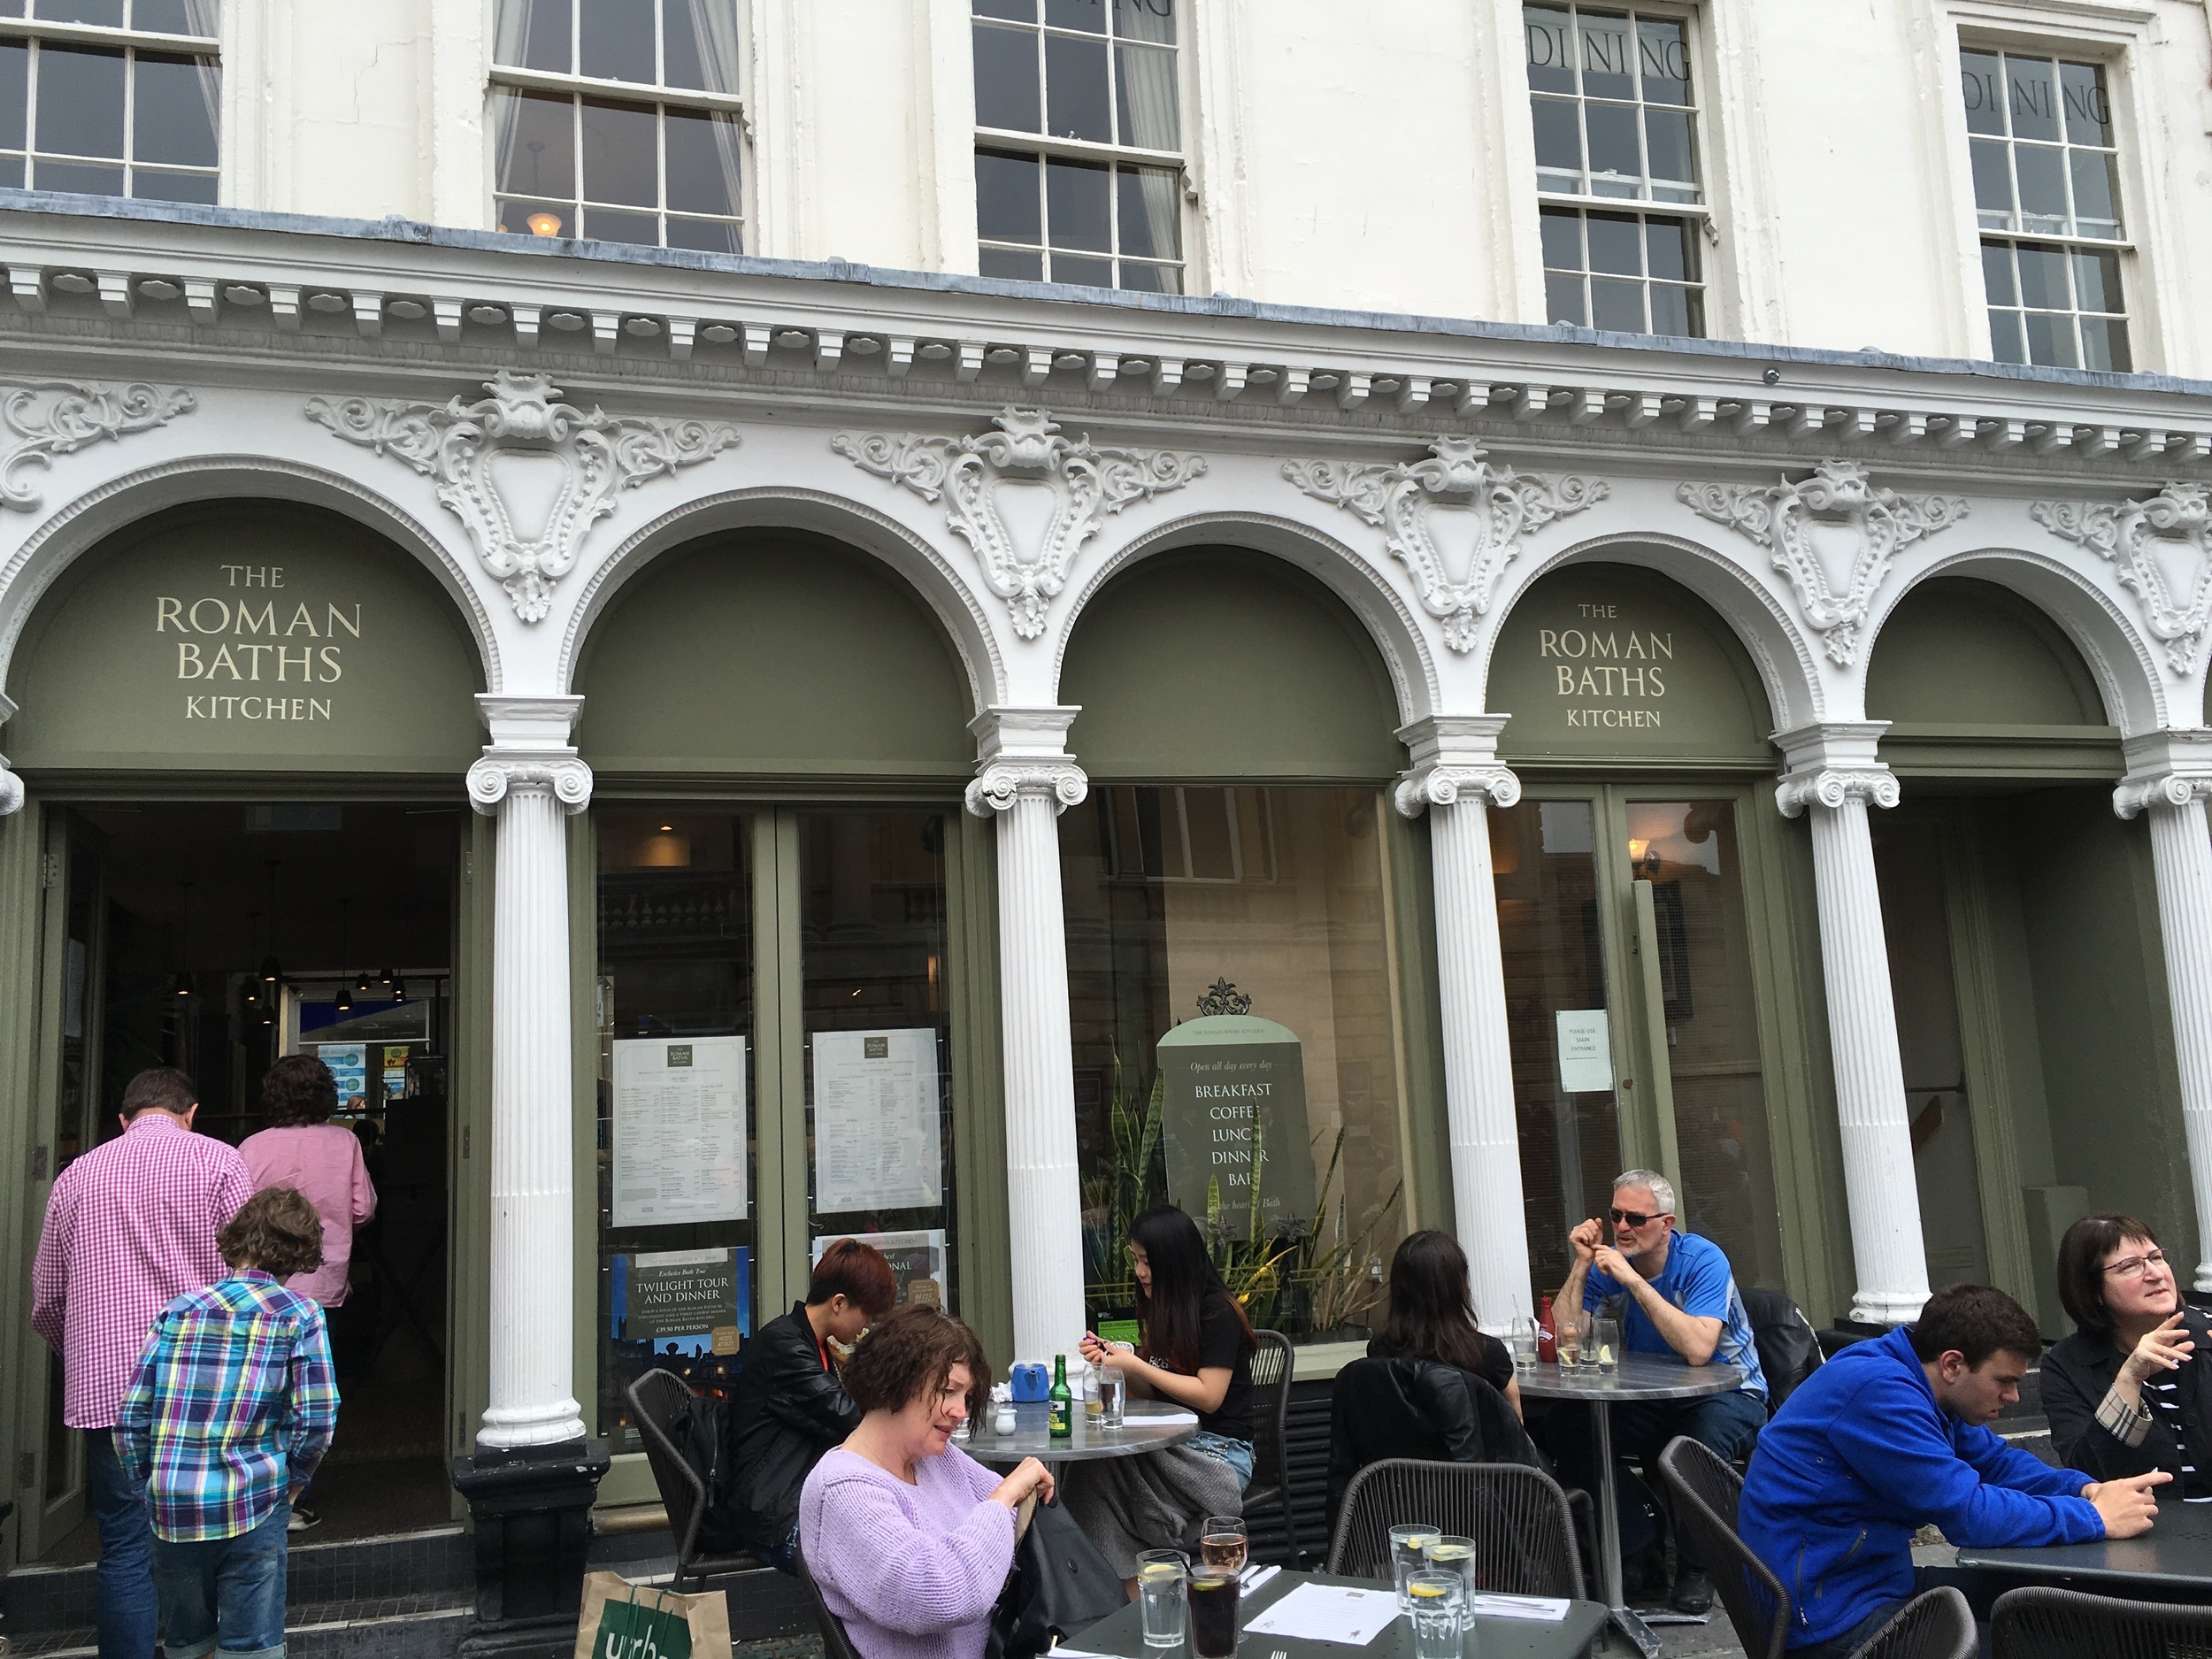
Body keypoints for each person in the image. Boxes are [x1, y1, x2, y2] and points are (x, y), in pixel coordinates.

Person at [1740, 1283, 2164, 1656]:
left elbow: (1995, 1463)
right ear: (1952, 1364)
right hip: (1829, 1619)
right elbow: (1968, 1514)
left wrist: (2085, 1490)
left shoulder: (1924, 1381)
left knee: (2058, 1609)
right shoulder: (1880, 1394)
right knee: (2052, 1639)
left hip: (1865, 1582)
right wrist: (2092, 1519)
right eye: (2004, 1381)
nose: (2014, 1396)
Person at [30, 1066, 254, 1659]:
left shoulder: (77, 1175)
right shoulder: (221, 1162)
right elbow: (251, 1277)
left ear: (124, 1120)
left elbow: (48, 1298)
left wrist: (86, 1354)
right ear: (191, 1111)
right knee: (215, 1533)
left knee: (126, 1543)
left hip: (112, 1389)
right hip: (203, 1385)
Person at [116, 1186, 339, 1659]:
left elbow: (131, 1415)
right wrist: (294, 1482)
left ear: (237, 1239)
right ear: (300, 1254)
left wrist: (149, 1483)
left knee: (186, 1642)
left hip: (173, 1503)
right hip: (255, 1498)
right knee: (252, 1647)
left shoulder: (179, 1310)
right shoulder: (299, 1316)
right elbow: (317, 1417)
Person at [1551, 1169, 1769, 1614]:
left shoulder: (1703, 1260)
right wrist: (1580, 1264)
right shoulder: (1605, 1264)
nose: (1623, 1228)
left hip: (1729, 1391)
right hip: (1651, 1396)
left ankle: (1697, 1565)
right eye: (1616, 1217)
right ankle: (1638, 1542)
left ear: (1667, 1224)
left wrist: (1633, 1281)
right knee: (1571, 1430)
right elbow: (1563, 1340)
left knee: (1695, 1443)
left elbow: (1698, 1350)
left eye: (1637, 1218)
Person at [799, 1304, 1053, 1659]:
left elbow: (1017, 1528)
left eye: (965, 1397)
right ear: (895, 1378)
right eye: (949, 1391)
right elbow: (943, 1594)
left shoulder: (933, 1458)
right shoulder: (844, 1489)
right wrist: (1008, 1493)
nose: (961, 1412)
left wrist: (1013, 1501)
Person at [1072, 1203, 1256, 1589]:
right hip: (1170, 1443)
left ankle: (1137, 1590)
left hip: (1218, 1452)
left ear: (1174, 1262)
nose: (1140, 1272)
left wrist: (1136, 1365)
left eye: (1148, 1262)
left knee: (1101, 1476)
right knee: (1093, 1471)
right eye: (1136, 1260)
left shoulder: (1216, 1312)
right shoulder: (1164, 1309)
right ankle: (1132, 1595)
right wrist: (1116, 1362)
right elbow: (1149, 1394)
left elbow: (1209, 1396)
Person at [240, 1054, 376, 1530]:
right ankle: (294, 1498)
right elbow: (363, 1209)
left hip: (260, 1284)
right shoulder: (346, 1142)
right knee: (310, 1391)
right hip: (322, 1281)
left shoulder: (251, 1147)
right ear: (325, 1096)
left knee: (260, 1386)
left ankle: (256, 1491)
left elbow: (236, 1216)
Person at [729, 1238, 899, 1572]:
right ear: (838, 1303)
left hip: (794, 1500)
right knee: (879, 1566)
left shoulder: (812, 1343)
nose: (867, 1326)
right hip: (775, 1517)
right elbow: (848, 1417)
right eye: (866, 1314)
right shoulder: (785, 1346)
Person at [2042, 1213, 2212, 1499]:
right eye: (2130, 1266)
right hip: (2147, 1531)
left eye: (2157, 1258)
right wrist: (2130, 1379)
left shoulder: (2207, 1334)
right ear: (2093, 1290)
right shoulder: (2066, 1366)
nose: (2156, 1273)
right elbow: (2090, 1477)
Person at [1368, 1228, 1524, 1418]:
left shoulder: (1379, 1350)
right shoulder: (1486, 1353)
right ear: (1459, 1287)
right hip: (1475, 1448)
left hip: (1400, 1449)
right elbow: (1516, 1430)